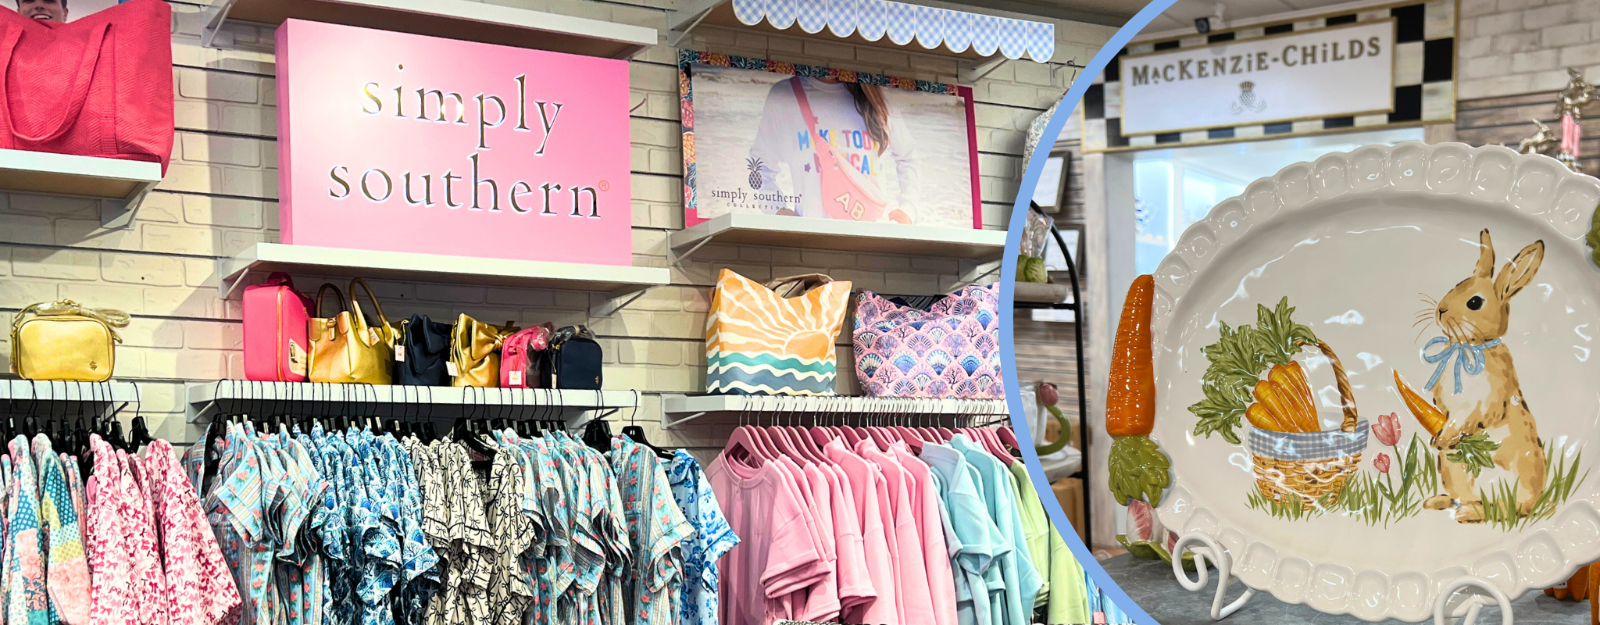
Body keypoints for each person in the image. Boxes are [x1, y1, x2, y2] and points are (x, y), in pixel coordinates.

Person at [748, 75, 921, 224]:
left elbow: (908, 156)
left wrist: (908, 210)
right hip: (812, 240)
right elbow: (759, 164)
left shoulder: (878, 97)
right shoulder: (785, 95)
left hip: (873, 240)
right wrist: (778, 211)